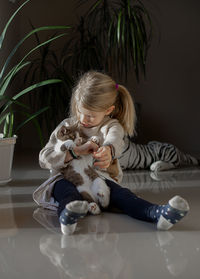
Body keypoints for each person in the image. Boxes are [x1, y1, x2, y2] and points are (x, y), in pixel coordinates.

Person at [33, 71, 190, 235]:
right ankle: (67, 216)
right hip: (66, 178)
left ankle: (158, 214)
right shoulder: (67, 126)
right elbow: (44, 158)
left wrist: (107, 150)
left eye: (91, 116)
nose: (84, 119)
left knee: (123, 196)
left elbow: (115, 140)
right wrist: (74, 153)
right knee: (66, 191)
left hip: (99, 181)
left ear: (108, 110)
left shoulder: (112, 126)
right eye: (80, 112)